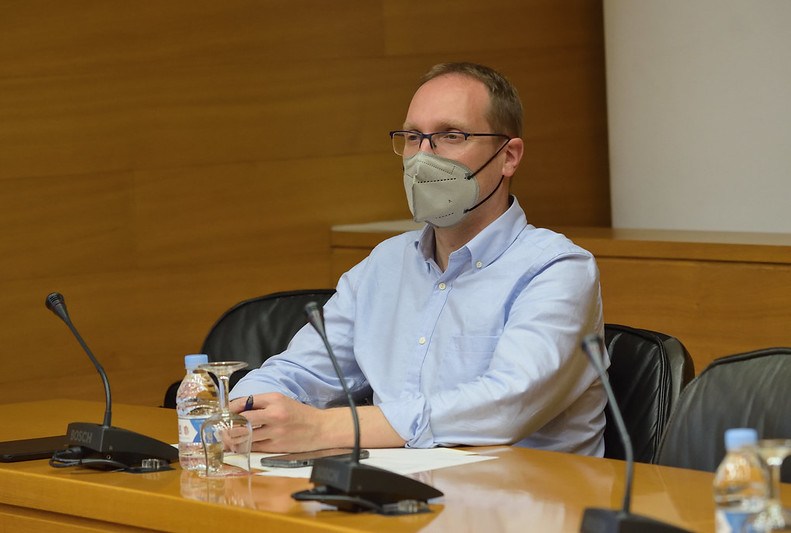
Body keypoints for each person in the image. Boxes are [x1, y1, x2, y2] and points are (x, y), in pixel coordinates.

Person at [229, 62, 607, 456]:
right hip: (397, 500)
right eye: (413, 137)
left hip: (523, 503)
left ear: (508, 156)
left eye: (450, 135)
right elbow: (297, 372)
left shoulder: (557, 268)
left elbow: (506, 405)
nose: (423, 157)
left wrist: (330, 427)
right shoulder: (384, 265)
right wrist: (245, 414)